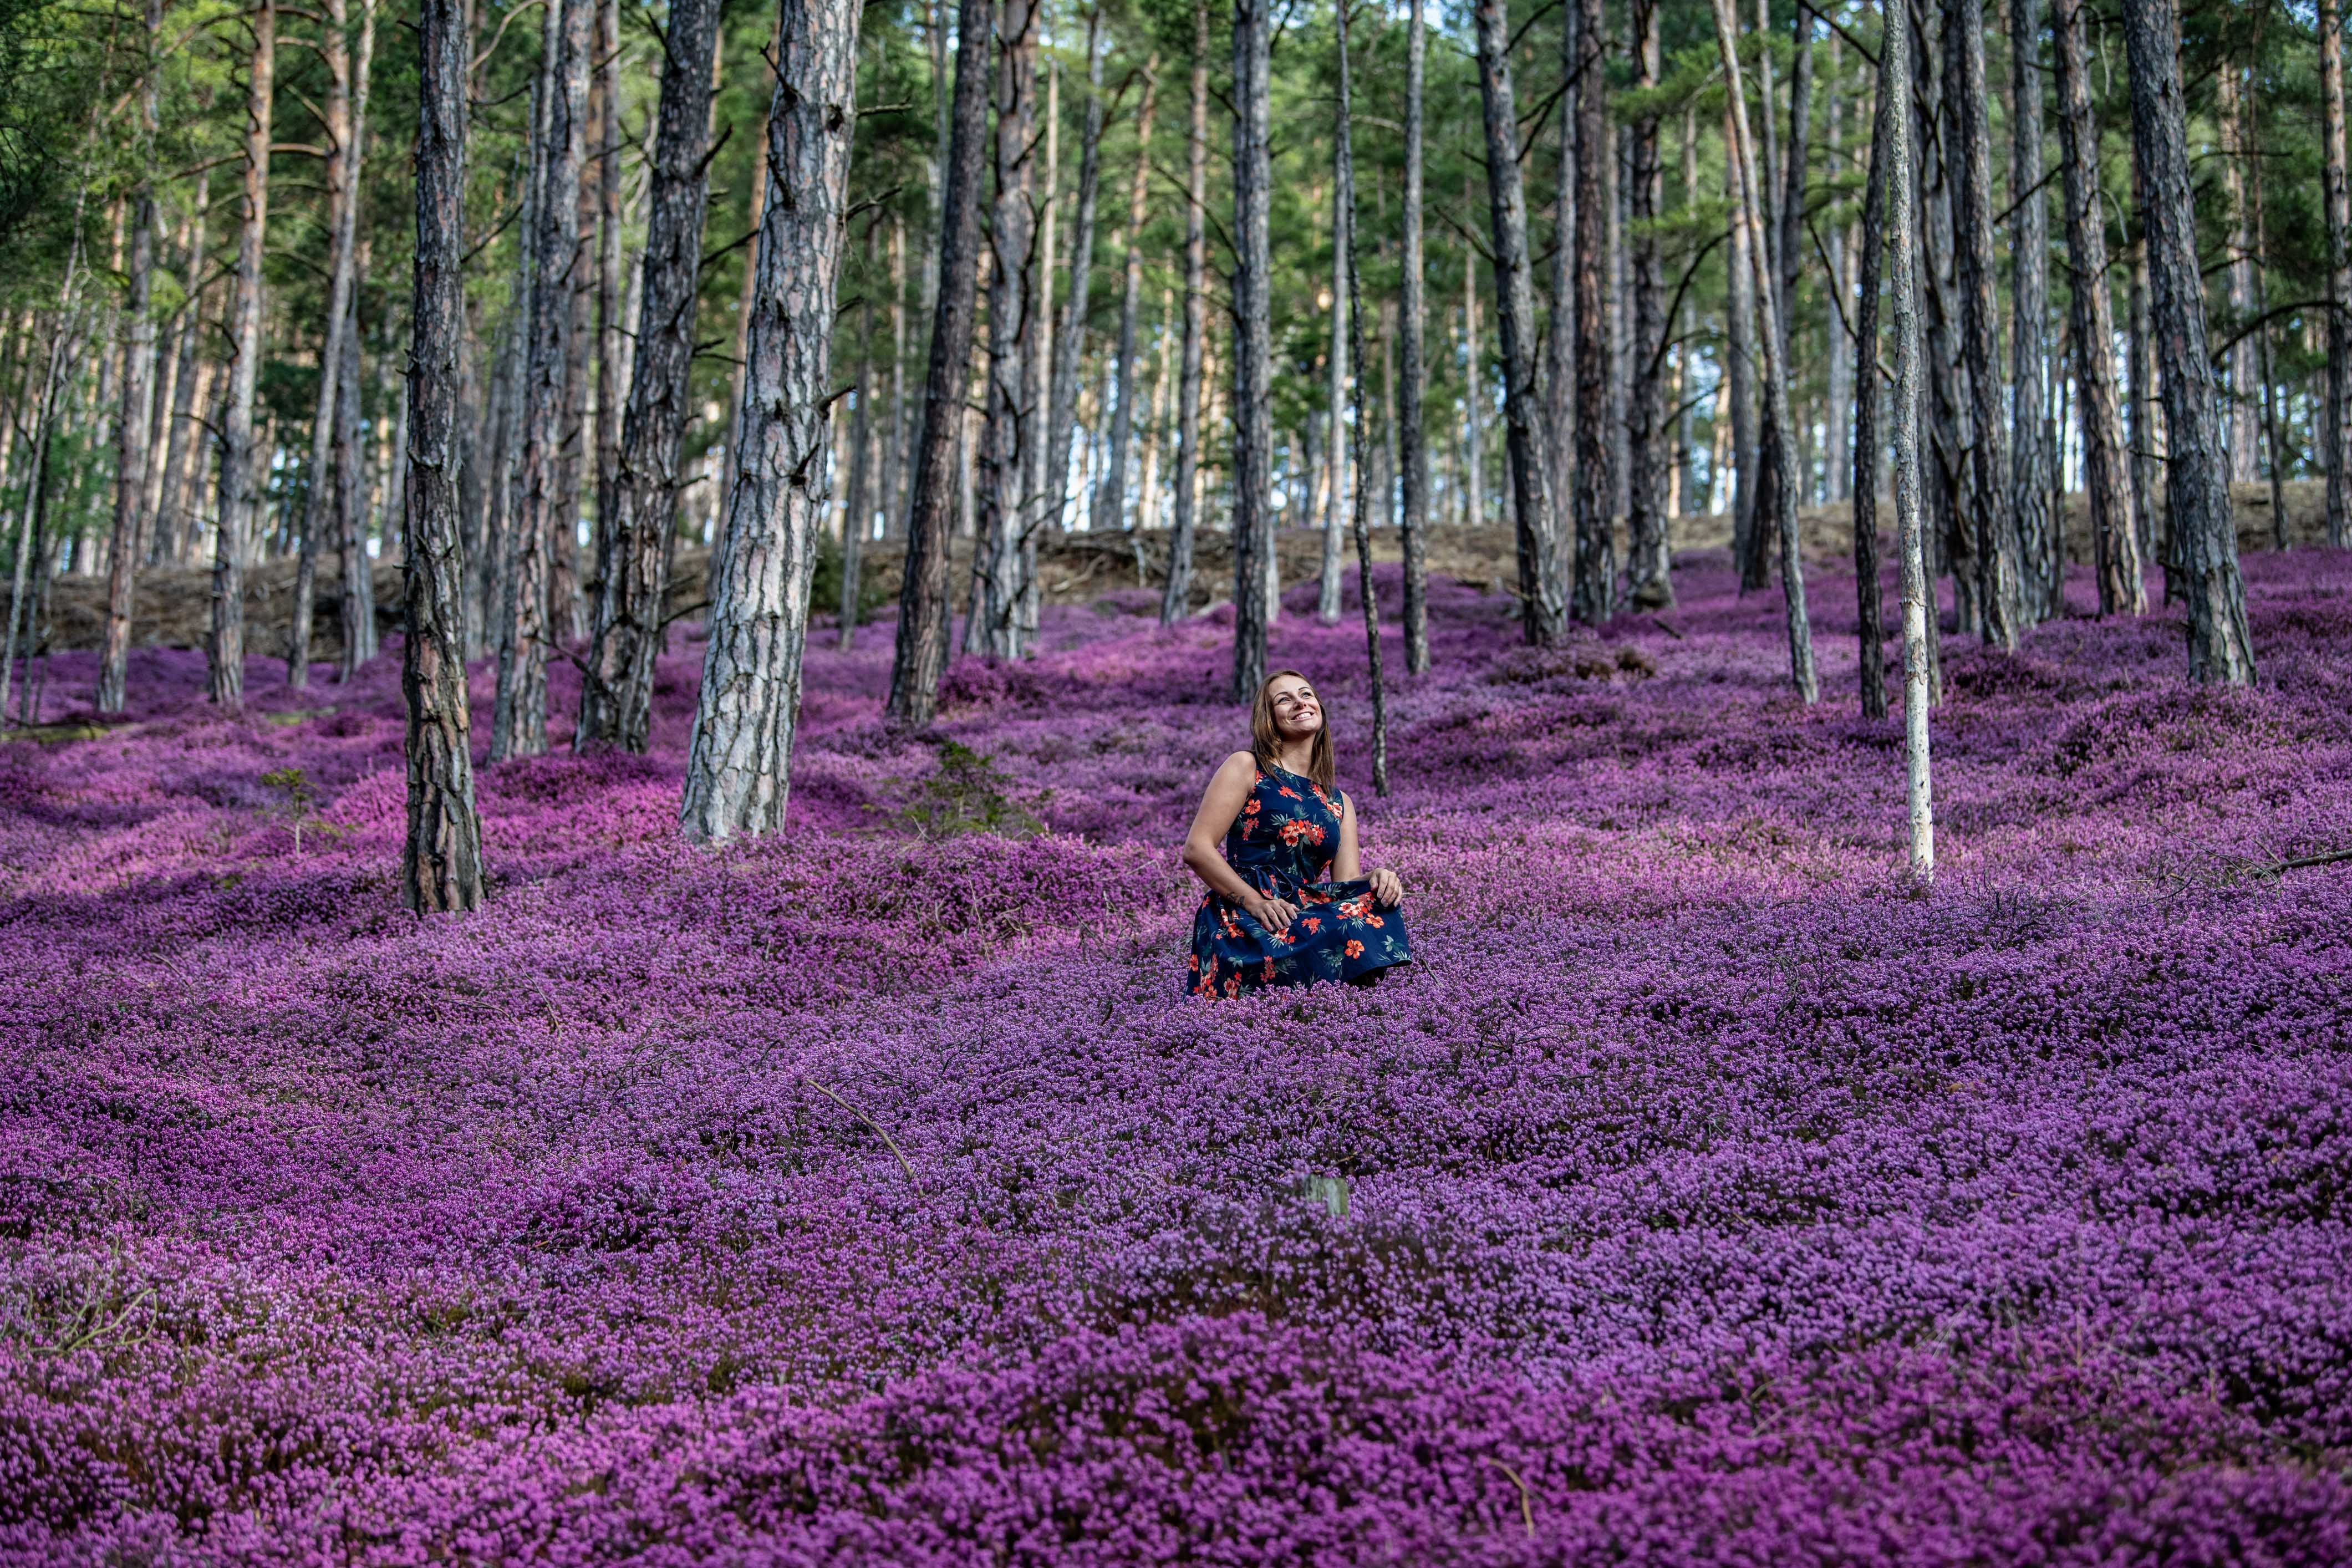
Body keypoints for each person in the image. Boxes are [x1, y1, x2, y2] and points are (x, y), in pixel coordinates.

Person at [1180, 668, 1410, 996]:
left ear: (1320, 707)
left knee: (1374, 908)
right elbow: (1197, 849)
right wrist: (1256, 903)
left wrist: (1377, 877)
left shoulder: (1339, 803)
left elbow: (1343, 887)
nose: (1300, 703)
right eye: (1284, 700)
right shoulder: (1247, 767)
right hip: (1244, 916)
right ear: (1269, 718)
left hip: (1301, 914)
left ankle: (1335, 1019)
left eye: (1306, 695)